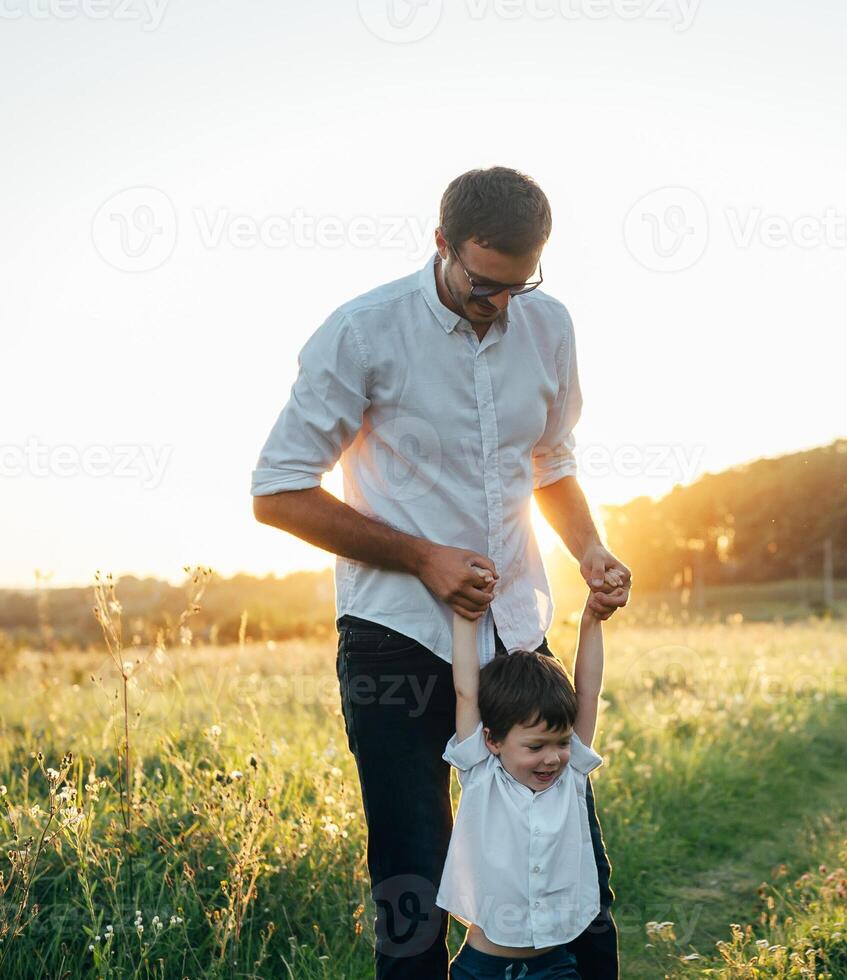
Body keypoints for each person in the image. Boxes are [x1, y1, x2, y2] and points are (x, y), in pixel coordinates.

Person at [250, 166, 631, 979]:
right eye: (482, 282)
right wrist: (423, 558)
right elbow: (276, 491)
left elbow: (551, 460)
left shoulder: (547, 324)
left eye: (517, 285)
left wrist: (588, 547)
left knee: (574, 859)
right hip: (395, 638)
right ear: (441, 245)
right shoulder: (362, 332)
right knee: (413, 885)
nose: (498, 302)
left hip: (519, 635)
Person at [438, 569, 618, 979]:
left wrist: (591, 620)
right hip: (482, 967)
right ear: (493, 740)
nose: (552, 758)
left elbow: (588, 691)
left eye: (560, 742)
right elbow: (466, 690)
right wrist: (466, 618)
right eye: (535, 747)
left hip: (555, 966)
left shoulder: (570, 776)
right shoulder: (481, 773)